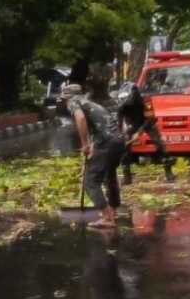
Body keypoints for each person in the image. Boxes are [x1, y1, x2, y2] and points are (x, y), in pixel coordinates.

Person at [61, 83, 126, 228]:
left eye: (65, 99)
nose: (65, 103)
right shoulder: (92, 104)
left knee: (90, 182)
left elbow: (80, 119)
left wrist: (84, 144)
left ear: (69, 97)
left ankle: (107, 217)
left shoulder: (74, 102)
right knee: (109, 176)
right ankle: (112, 210)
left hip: (106, 142)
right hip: (118, 141)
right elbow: (101, 127)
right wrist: (92, 146)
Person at [116, 82, 175, 185]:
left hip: (147, 122)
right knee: (124, 147)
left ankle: (168, 172)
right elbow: (119, 121)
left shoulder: (145, 101)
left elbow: (150, 119)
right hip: (132, 123)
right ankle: (127, 177)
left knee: (160, 144)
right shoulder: (121, 104)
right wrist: (120, 133)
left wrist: (139, 133)